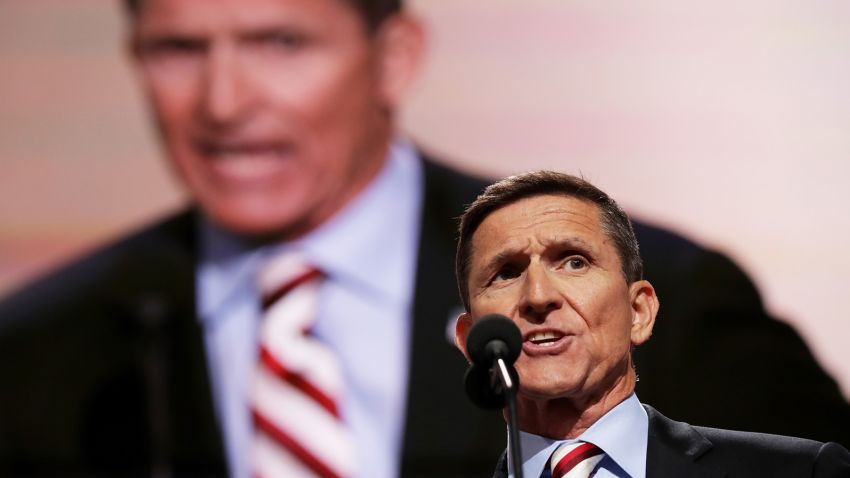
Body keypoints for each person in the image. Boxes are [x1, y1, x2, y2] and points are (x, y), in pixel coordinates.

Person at [0, 0, 848, 476]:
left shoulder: (667, 302)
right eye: (179, 49)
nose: (223, 103)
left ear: (395, 55)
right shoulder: (39, 350)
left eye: (280, 43)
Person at [453, 171, 850, 477]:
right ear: (470, 340)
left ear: (639, 312)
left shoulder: (801, 472)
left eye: (574, 261)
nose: (538, 296)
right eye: (505, 273)